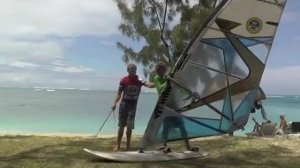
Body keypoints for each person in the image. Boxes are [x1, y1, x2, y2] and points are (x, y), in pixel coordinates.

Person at [111, 63, 155, 151]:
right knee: (121, 126)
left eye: (134, 69)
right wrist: (114, 103)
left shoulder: (139, 79)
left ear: (136, 70)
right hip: (124, 104)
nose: (132, 71)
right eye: (131, 69)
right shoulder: (124, 80)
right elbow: (119, 94)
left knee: (129, 126)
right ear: (128, 71)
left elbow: (149, 85)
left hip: (133, 105)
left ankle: (128, 145)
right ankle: (118, 145)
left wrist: (157, 83)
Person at [153, 62, 192, 152]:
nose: (157, 71)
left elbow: (180, 88)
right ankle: (164, 146)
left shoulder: (170, 78)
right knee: (166, 127)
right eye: (157, 70)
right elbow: (161, 88)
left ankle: (188, 146)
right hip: (164, 106)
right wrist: (168, 80)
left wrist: (190, 93)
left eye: (159, 69)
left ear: (164, 70)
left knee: (182, 126)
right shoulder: (156, 78)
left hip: (174, 106)